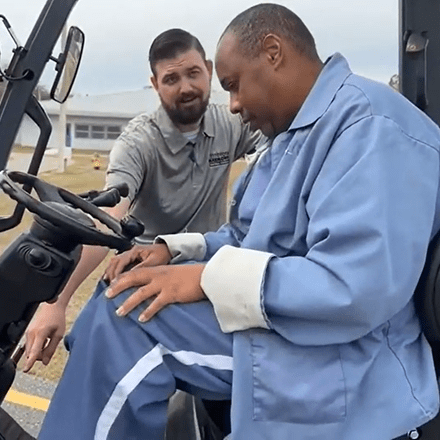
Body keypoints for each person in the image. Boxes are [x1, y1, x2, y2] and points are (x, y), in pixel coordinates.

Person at [37, 3, 440, 439]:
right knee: (120, 293)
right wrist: (174, 251)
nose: (231, 106)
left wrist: (207, 278)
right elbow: (247, 236)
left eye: (233, 86)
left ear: (272, 52)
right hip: (286, 320)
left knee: (125, 331)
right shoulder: (291, 136)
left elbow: (355, 288)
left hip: (348, 354)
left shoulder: (371, 127)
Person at [23, 28, 262, 371]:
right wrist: (56, 301)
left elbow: (281, 140)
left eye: (193, 73)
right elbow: (107, 216)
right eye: (171, 78)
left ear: (209, 70)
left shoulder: (232, 122)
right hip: (146, 263)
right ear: (154, 84)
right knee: (93, 351)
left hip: (203, 266)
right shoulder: (138, 142)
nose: (186, 88)